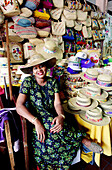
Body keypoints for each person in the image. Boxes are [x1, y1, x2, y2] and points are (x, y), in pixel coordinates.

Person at [16, 52, 103, 170]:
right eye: (35, 68)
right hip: (35, 118)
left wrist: (61, 116)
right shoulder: (28, 82)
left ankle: (82, 142)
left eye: (41, 66)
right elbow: (19, 106)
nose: (39, 70)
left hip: (51, 115)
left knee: (58, 125)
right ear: (32, 71)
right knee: (50, 138)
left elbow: (57, 103)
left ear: (46, 67)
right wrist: (36, 122)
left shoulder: (53, 82)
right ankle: (83, 140)